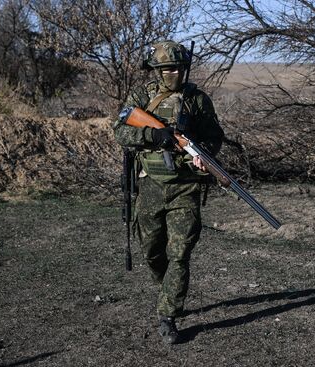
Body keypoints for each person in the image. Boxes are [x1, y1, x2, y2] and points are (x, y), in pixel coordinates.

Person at [113, 40, 224, 344]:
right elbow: (120, 129)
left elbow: (214, 137)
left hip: (185, 186)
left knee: (180, 252)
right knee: (151, 251)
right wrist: (153, 134)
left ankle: (168, 315)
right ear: (156, 70)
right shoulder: (141, 96)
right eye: (165, 69)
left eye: (176, 67)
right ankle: (168, 288)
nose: (172, 73)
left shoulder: (197, 100)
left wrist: (204, 157)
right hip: (150, 184)